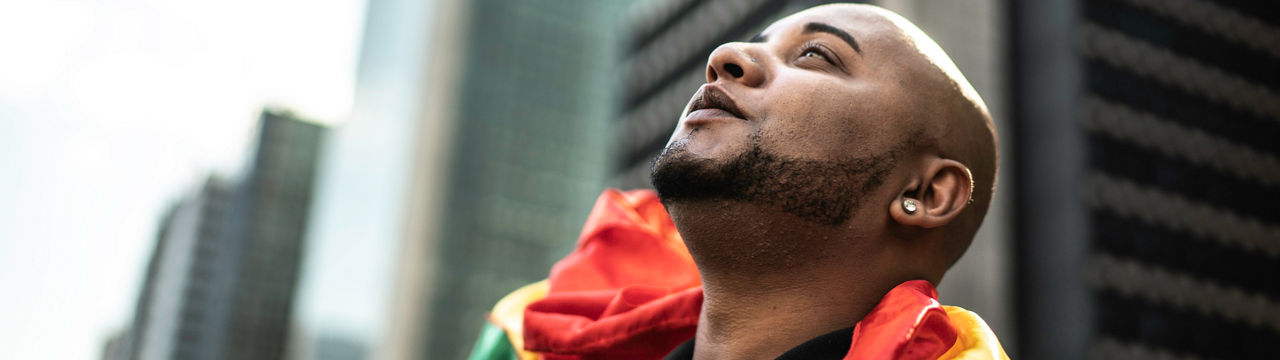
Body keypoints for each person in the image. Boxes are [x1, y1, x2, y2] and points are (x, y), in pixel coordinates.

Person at [469, 3, 1006, 360]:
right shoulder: (528, 337)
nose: (724, 57)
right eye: (756, 43)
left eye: (817, 56)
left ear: (924, 193)